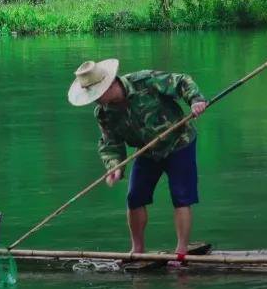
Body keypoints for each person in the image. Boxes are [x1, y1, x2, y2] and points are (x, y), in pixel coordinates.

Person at [67, 59, 207, 259]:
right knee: (134, 197)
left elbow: (181, 81)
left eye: (97, 95)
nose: (96, 100)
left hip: (179, 142)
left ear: (109, 84)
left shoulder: (144, 81)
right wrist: (114, 166)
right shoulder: (103, 112)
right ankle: (137, 250)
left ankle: (181, 251)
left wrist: (195, 100)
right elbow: (110, 143)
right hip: (146, 151)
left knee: (181, 197)